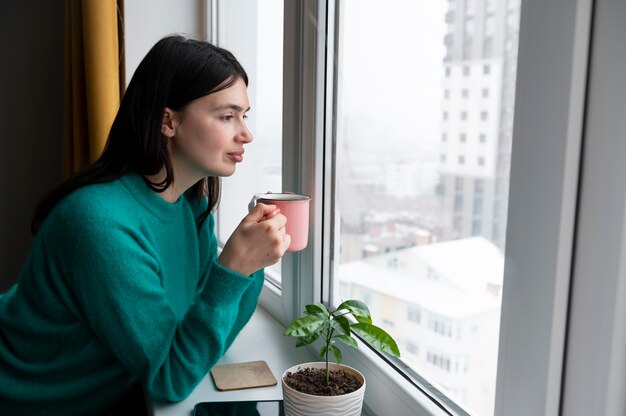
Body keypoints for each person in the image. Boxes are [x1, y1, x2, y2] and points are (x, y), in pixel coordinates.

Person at [0, 35, 290, 415]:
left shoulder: (190, 204)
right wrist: (234, 266)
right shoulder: (100, 224)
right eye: (226, 115)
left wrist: (251, 263)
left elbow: (207, 337)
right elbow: (171, 378)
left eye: (244, 115)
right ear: (168, 121)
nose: (246, 133)